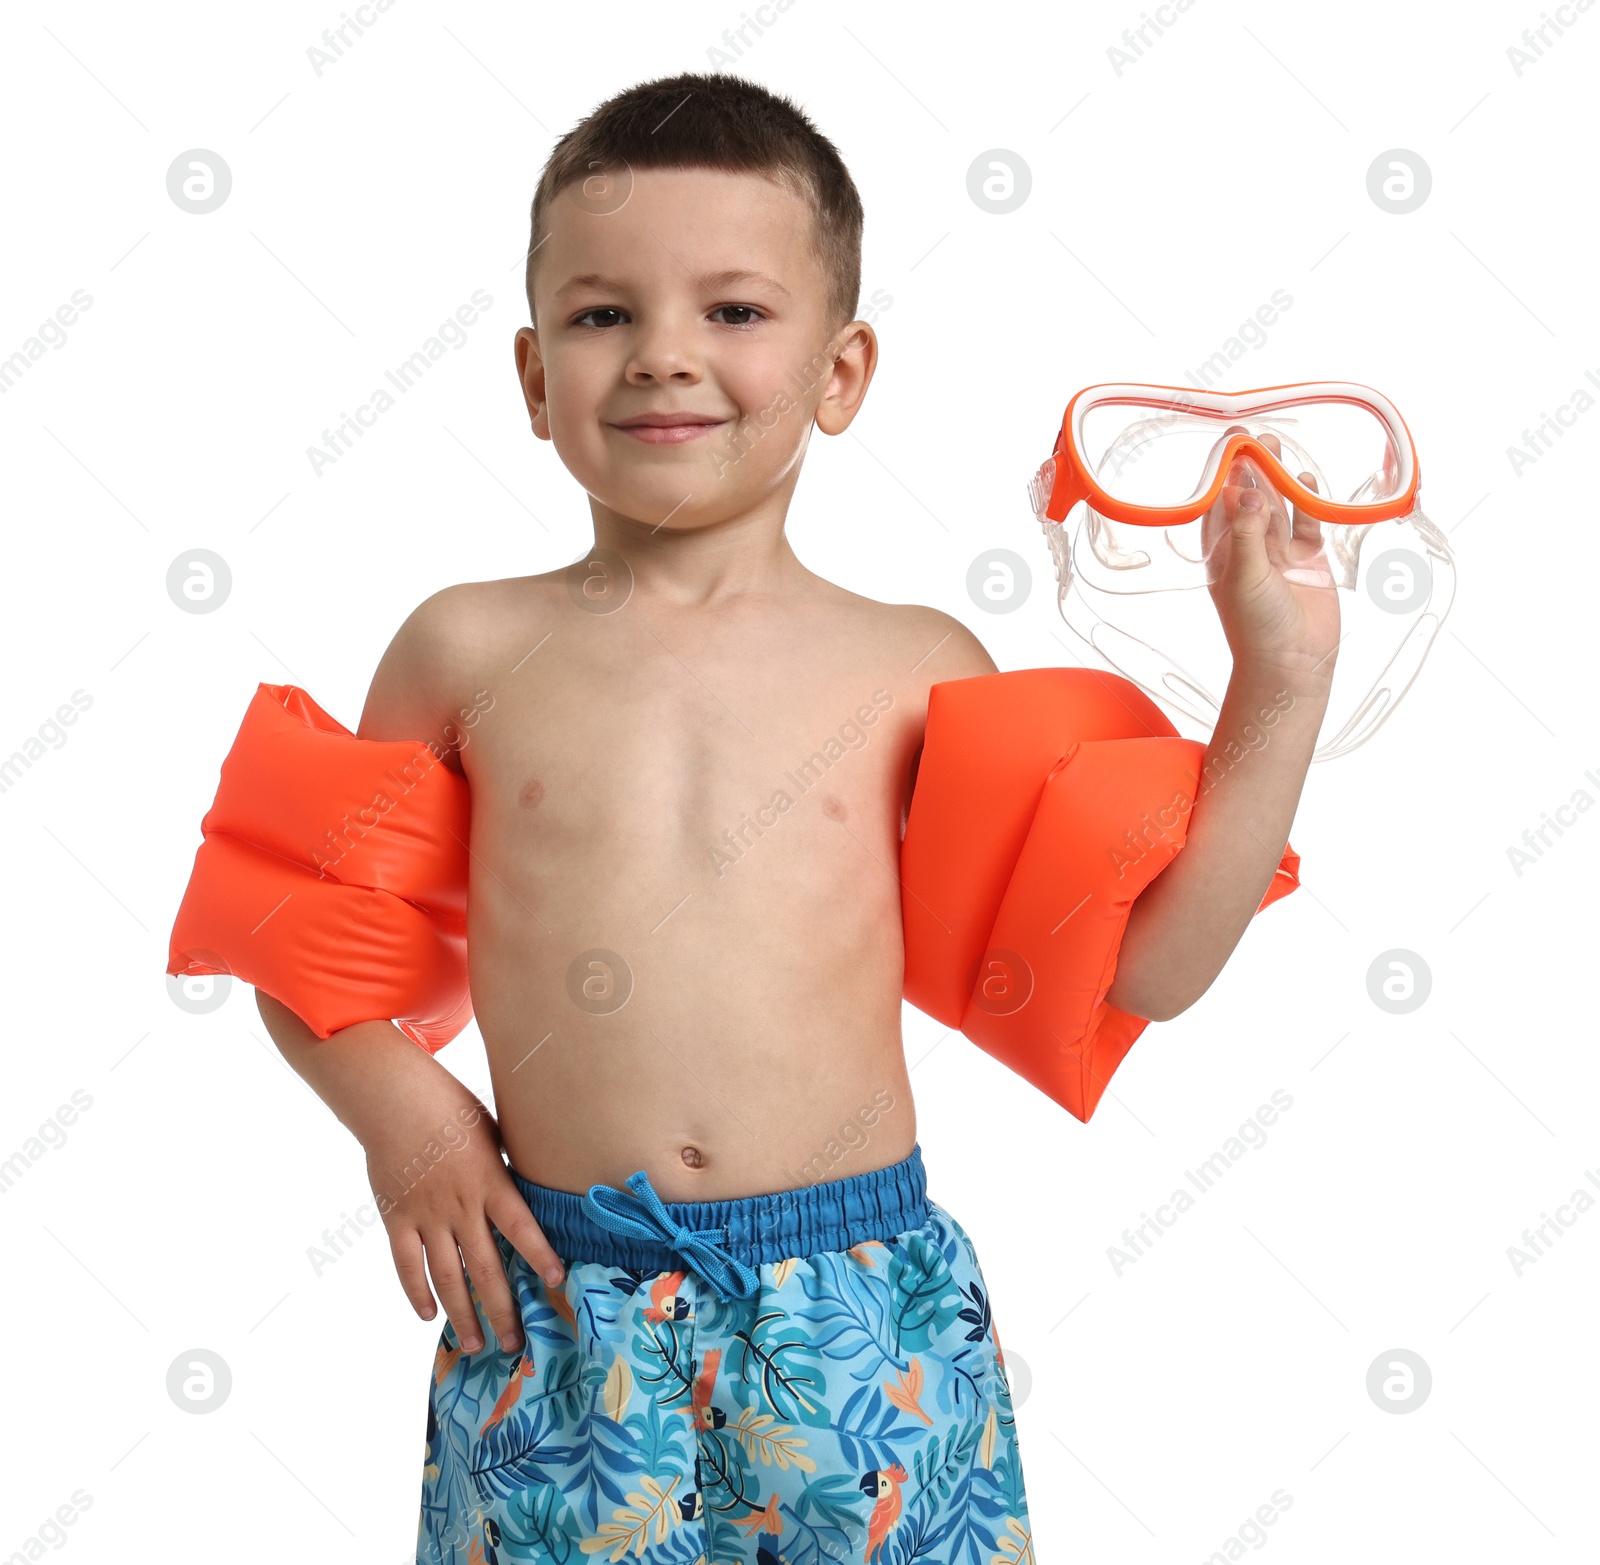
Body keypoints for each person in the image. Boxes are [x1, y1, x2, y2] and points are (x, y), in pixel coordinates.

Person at [254, 70, 1337, 1565]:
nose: (663, 357)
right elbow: (299, 936)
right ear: (528, 375)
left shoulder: (917, 666)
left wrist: (1277, 688)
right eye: (601, 314)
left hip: (863, 1317)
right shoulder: (463, 648)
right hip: (564, 1301)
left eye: (736, 312)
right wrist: (412, 1124)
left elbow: (1145, 969)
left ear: (842, 372)